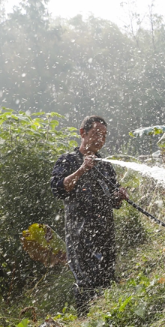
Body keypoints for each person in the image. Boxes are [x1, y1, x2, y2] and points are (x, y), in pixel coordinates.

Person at [51, 115, 128, 313]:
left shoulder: (105, 166)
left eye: (104, 135)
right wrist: (81, 170)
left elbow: (113, 201)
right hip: (80, 234)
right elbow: (59, 188)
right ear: (82, 133)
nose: (100, 139)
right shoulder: (68, 160)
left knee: (106, 276)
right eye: (96, 133)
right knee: (85, 282)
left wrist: (119, 196)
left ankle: (106, 318)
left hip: (105, 232)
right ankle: (85, 321)